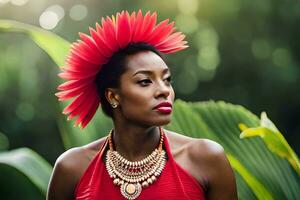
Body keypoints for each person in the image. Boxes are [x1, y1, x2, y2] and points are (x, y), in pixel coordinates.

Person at [47, 10, 237, 200]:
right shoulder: (72, 169)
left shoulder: (205, 159)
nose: (164, 90)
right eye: (145, 81)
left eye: (167, 80)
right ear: (113, 96)